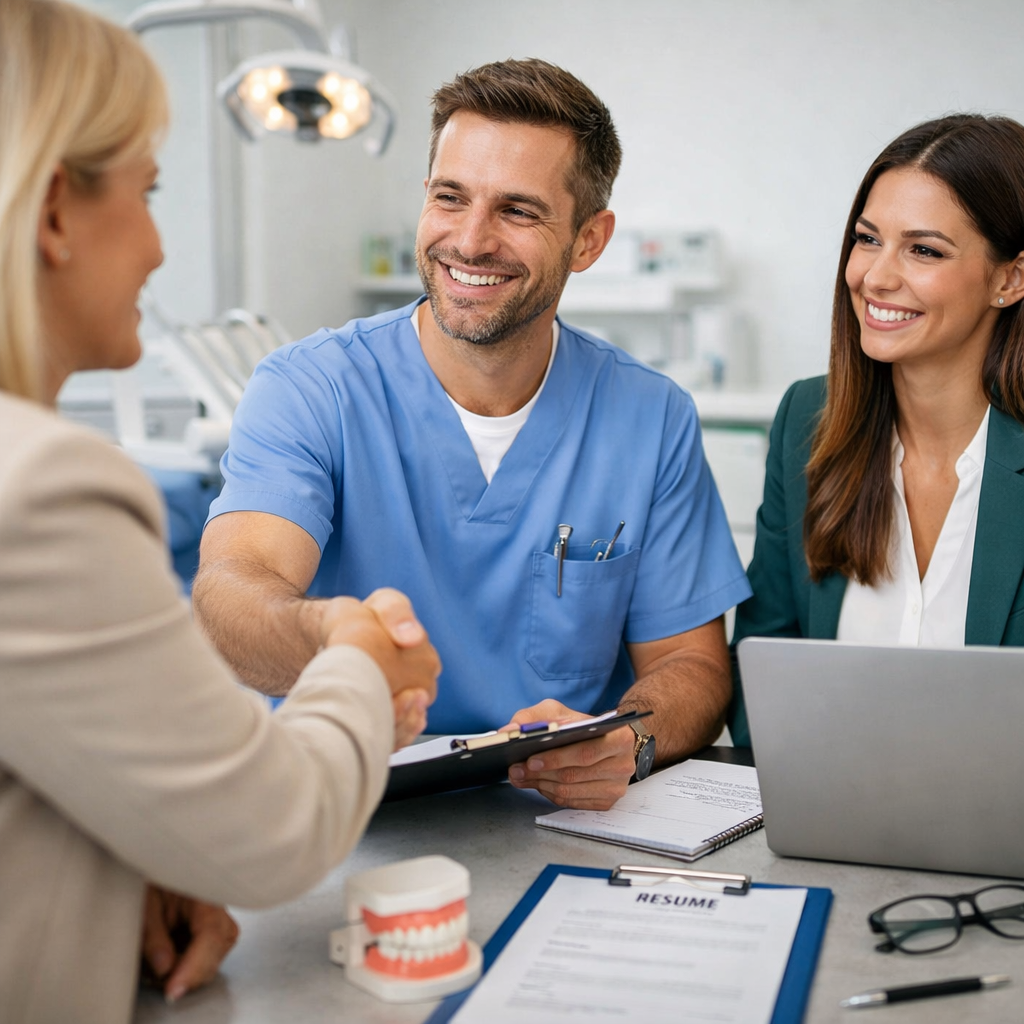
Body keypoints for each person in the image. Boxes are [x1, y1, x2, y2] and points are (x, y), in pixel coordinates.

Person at [0, 3, 440, 1022]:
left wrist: (122, 860)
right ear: (56, 211)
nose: (159, 247)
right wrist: (357, 656)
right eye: (149, 193)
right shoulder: (45, 487)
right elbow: (275, 828)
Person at [194, 58, 751, 811]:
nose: (471, 240)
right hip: (336, 811)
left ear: (589, 240)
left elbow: (691, 661)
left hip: (555, 823)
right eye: (450, 198)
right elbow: (233, 589)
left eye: (518, 212)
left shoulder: (649, 418)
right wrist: (331, 637)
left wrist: (627, 737)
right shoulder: (312, 388)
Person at [729, 113, 1024, 747]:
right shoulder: (806, 424)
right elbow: (761, 663)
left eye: (923, 250)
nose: (876, 277)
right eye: (868, 239)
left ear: (1009, 279)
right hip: (828, 830)